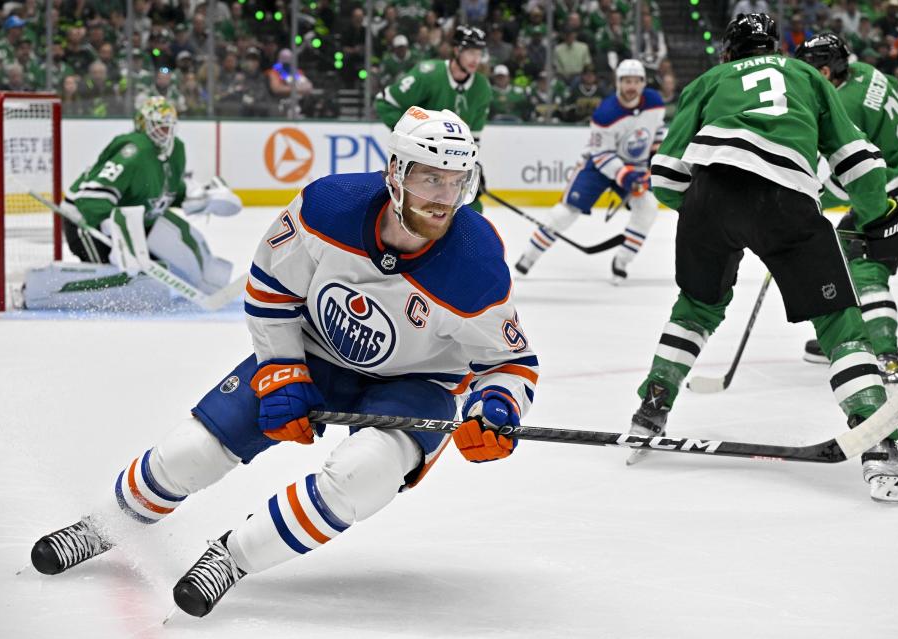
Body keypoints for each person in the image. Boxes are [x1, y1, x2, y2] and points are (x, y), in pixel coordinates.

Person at [28, 107, 540, 616]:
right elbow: (272, 290)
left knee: (364, 475)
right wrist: (280, 368)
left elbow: (510, 363)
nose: (444, 199)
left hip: (419, 378)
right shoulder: (328, 206)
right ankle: (105, 525)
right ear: (396, 174)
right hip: (314, 349)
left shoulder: (475, 260)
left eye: (457, 182)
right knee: (194, 451)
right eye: (431, 179)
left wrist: (495, 408)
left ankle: (231, 558)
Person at [632, 14, 898, 503]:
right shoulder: (804, 76)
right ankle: (881, 449)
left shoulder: (709, 80)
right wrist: (879, 214)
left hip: (707, 197)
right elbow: (857, 158)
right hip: (783, 199)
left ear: (728, 53)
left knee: (696, 305)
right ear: (774, 47)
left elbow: (667, 176)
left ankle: (652, 405)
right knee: (839, 322)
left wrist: (712, 210)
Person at [794, 34, 898, 388]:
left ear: (827, 72)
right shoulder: (864, 71)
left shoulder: (841, 106)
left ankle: (884, 353)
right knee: (844, 247)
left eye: (810, 73)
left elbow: (850, 172)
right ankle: (855, 334)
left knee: (866, 264)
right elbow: (892, 87)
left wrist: (804, 201)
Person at [23, 96, 241, 310]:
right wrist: (115, 230)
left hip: (137, 223)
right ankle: (44, 290)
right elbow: (92, 198)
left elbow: (164, 191)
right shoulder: (134, 152)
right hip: (87, 222)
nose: (164, 132)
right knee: (136, 279)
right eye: (158, 125)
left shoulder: (176, 151)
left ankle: (208, 278)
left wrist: (198, 197)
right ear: (142, 124)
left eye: (168, 126)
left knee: (171, 245)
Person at [514, 59, 665, 283]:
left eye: (636, 81)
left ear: (643, 83)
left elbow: (657, 131)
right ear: (617, 83)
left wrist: (653, 161)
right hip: (599, 165)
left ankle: (622, 261)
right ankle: (528, 257)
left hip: (636, 166)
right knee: (564, 213)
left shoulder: (654, 102)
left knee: (648, 207)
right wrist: (625, 176)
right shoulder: (605, 114)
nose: (631, 86)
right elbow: (602, 154)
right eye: (626, 81)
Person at [375, 25, 492, 211]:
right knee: (405, 206)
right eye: (470, 52)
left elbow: (474, 135)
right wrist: (411, 135)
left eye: (479, 53)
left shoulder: (482, 87)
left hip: (453, 163)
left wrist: (473, 163)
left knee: (471, 209)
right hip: (418, 160)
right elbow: (385, 102)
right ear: (456, 50)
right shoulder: (428, 74)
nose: (475, 59)